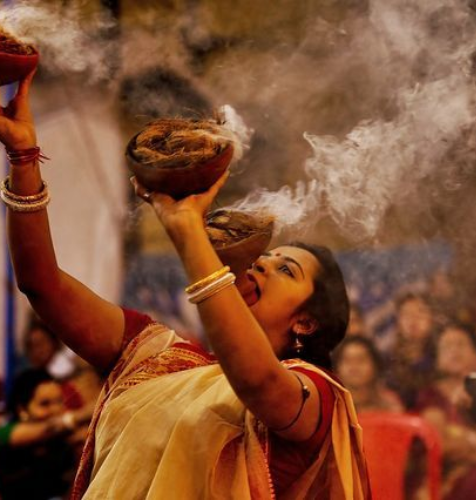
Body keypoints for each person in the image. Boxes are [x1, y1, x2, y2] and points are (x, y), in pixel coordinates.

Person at [0, 72, 370, 499]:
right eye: (264, 259)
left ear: (306, 322)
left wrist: (184, 225)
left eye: (287, 270)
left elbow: (257, 383)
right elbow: (41, 283)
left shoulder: (314, 393)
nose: (263, 266)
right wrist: (24, 156)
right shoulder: (155, 352)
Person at [415, 323, 476, 500]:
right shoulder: (431, 396)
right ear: (437, 359)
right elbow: (440, 446)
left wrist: (468, 441)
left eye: (461, 344)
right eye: (446, 346)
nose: (454, 351)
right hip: (453, 479)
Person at [0, 369, 91, 500]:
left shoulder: (65, 446)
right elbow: (47, 429)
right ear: (22, 410)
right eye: (44, 404)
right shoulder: (5, 434)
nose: (56, 410)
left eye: (59, 401)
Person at [385, 292, 435, 409]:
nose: (413, 319)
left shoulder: (440, 358)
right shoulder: (386, 361)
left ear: (432, 318)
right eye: (406, 314)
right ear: (398, 321)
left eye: (420, 312)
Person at [331, 336, 403, 413]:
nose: (354, 366)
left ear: (375, 366)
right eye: (347, 361)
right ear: (337, 368)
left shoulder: (390, 404)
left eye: (361, 360)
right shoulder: (328, 404)